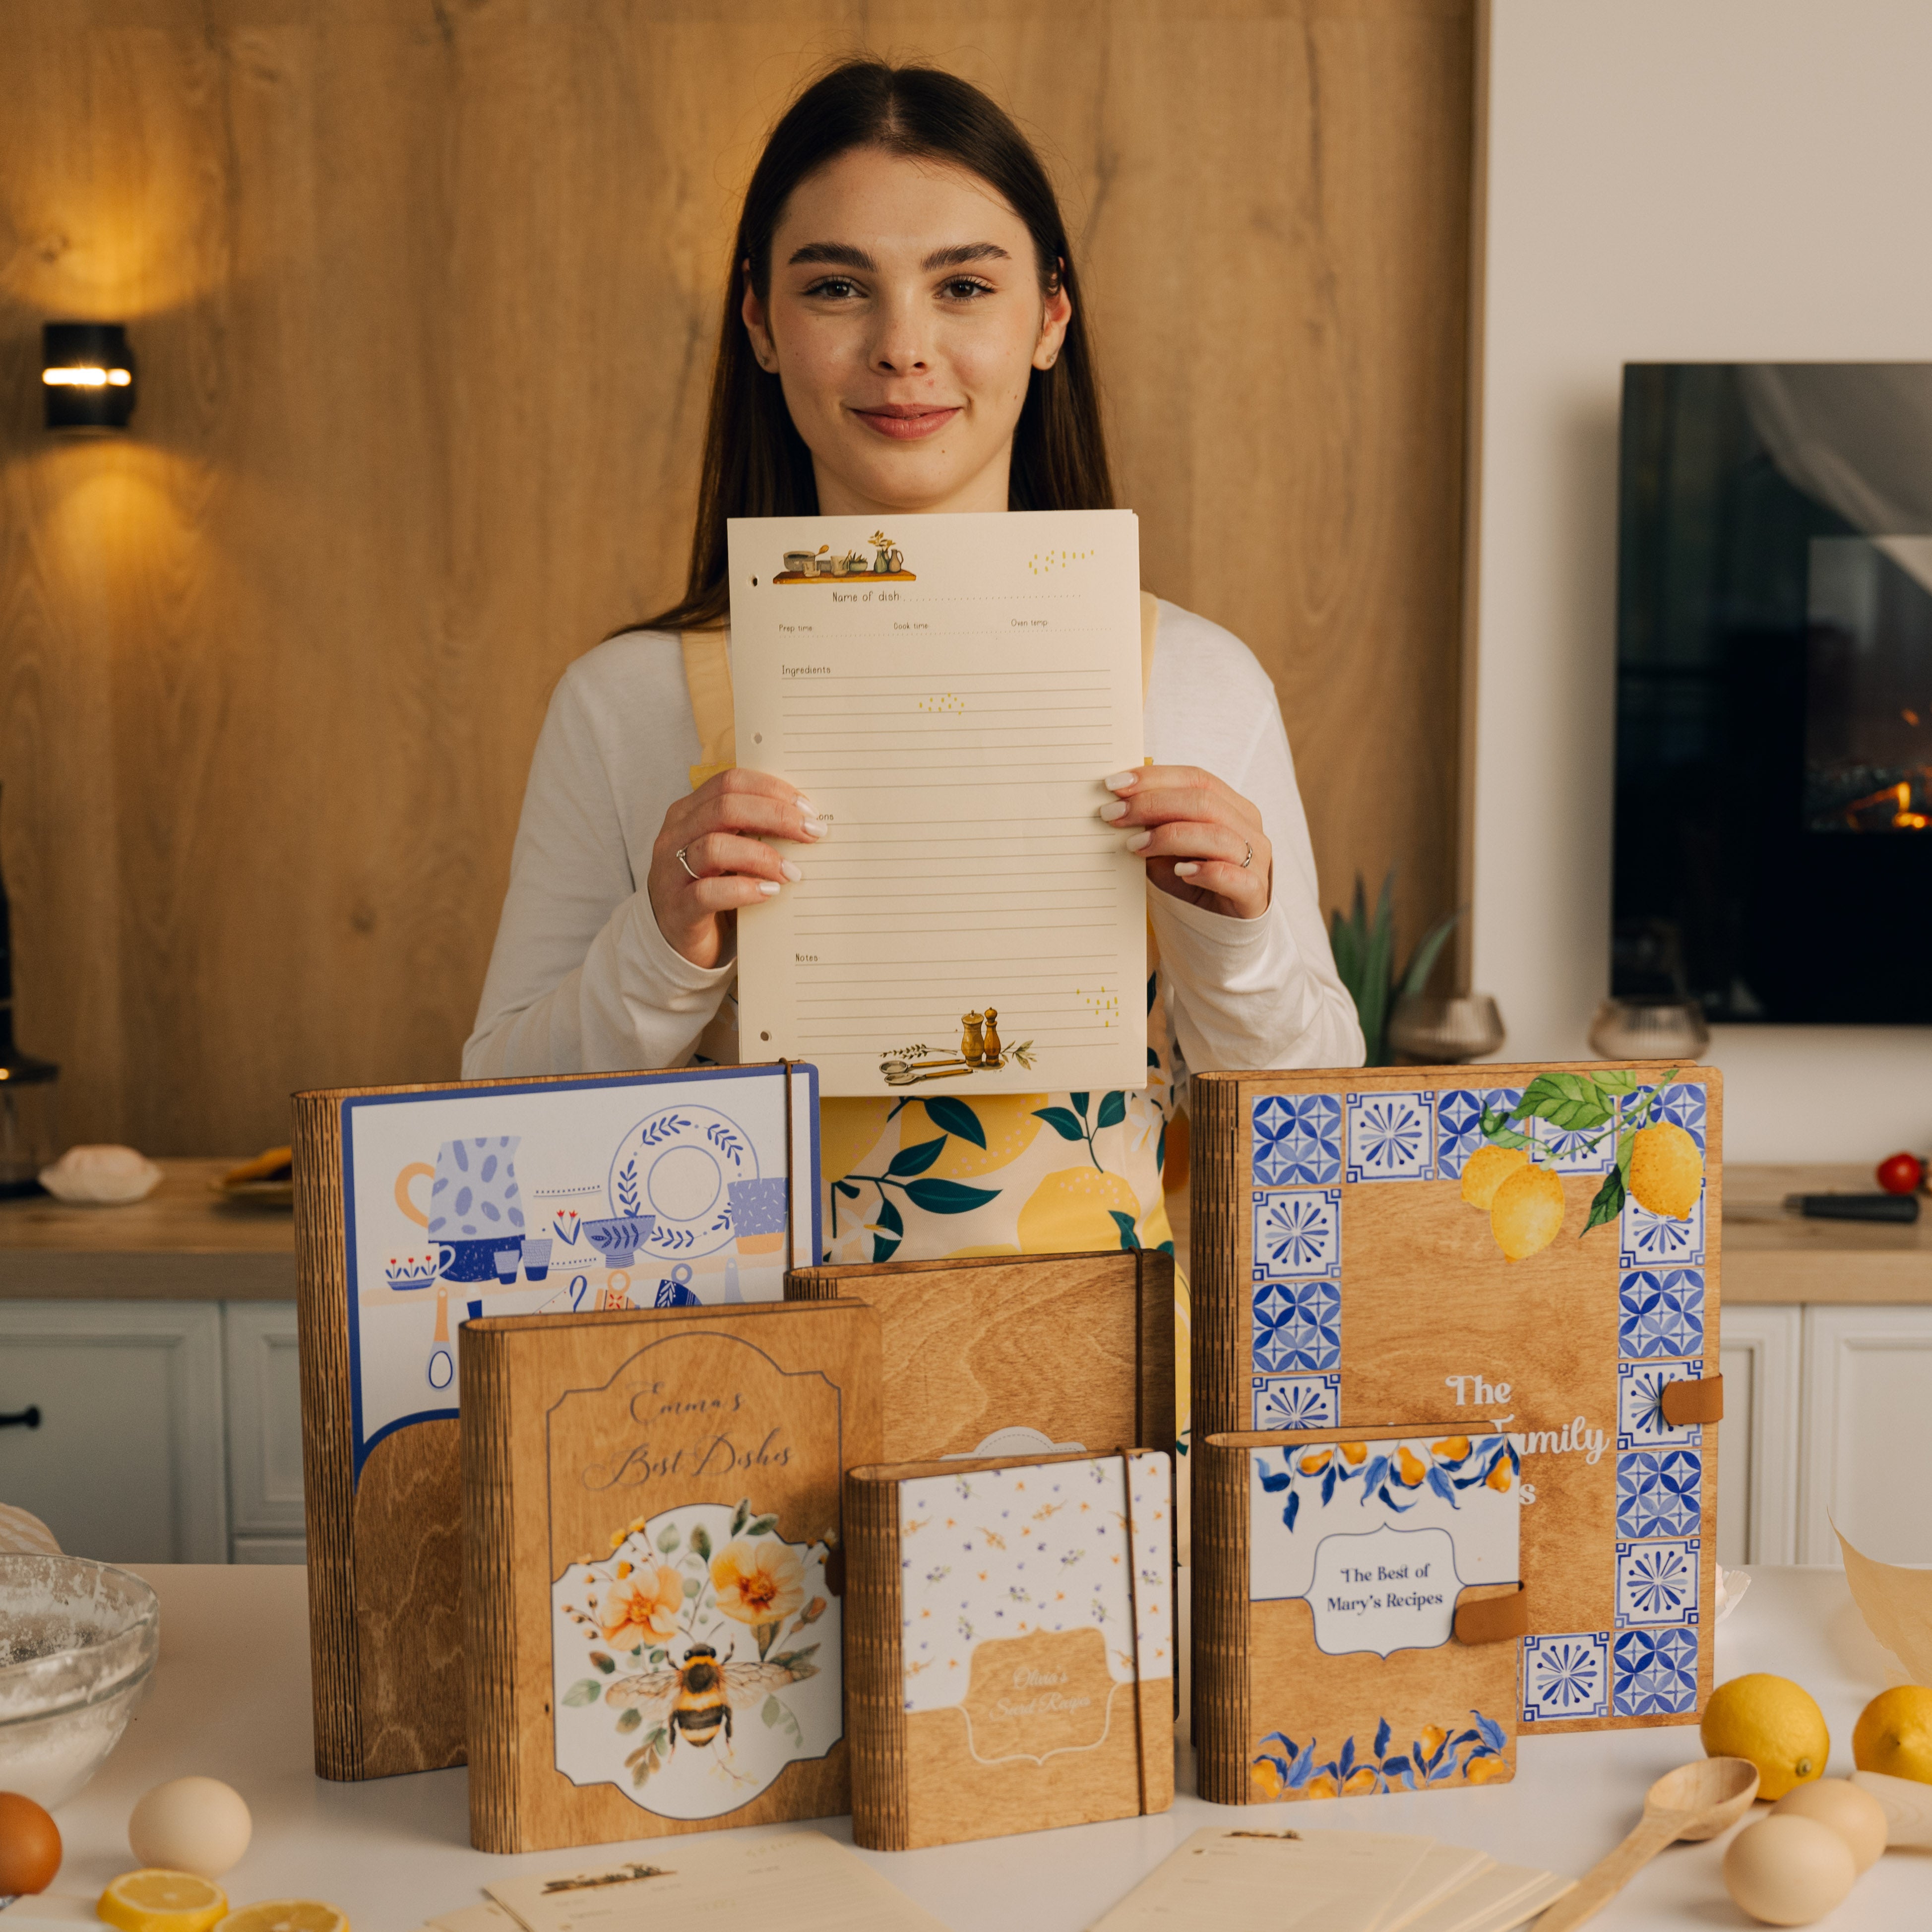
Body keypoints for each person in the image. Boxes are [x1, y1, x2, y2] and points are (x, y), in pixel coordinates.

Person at [464, 57, 1364, 1268]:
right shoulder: (623, 703)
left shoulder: (1199, 680)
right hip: (728, 1407)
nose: (902, 347)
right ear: (758, 323)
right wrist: (661, 945)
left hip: (1097, 1397)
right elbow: (493, 1125)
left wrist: (1236, 941)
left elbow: (1320, 1134)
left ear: (1050, 318)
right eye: (837, 286)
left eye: (963, 287)